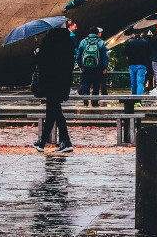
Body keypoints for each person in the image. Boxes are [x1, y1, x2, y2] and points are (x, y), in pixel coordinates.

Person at [33, 20, 75, 152]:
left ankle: (66, 141)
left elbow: (44, 62)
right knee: (52, 112)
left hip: (50, 81)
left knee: (55, 111)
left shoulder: (50, 40)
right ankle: (42, 143)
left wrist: (38, 52)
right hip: (62, 81)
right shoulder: (68, 41)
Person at [76, 27, 109, 106]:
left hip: (86, 67)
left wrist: (80, 65)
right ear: (97, 33)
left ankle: (85, 98)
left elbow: (78, 54)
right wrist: (105, 67)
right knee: (96, 84)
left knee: (86, 83)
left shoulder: (83, 41)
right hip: (98, 67)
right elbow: (105, 56)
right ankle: (94, 102)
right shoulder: (101, 42)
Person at [122, 30, 151, 96]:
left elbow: (125, 53)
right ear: (141, 34)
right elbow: (149, 53)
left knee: (133, 83)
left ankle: (133, 98)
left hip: (132, 64)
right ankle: (138, 100)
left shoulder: (129, 42)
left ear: (133, 34)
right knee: (140, 82)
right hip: (142, 64)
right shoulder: (145, 42)